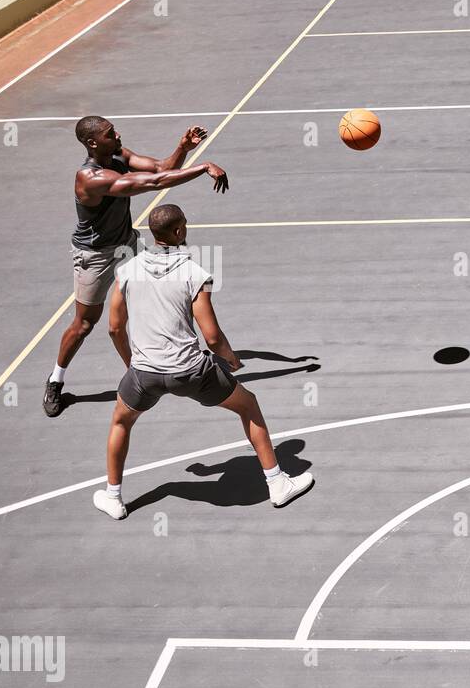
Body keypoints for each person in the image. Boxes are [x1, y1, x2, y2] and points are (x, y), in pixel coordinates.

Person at [92, 204, 313, 520]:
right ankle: (277, 484)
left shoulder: (126, 270)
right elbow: (211, 337)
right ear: (179, 231)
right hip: (191, 372)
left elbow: (114, 327)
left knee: (121, 421)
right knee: (248, 405)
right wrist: (231, 359)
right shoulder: (194, 274)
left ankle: (113, 497)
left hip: (144, 374)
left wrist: (133, 364)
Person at [43, 116, 230, 417]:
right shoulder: (88, 177)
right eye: (108, 133)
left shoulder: (119, 155)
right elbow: (154, 183)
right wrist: (204, 165)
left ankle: (150, 368)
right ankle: (55, 380)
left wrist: (182, 148)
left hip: (127, 244)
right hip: (94, 255)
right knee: (85, 324)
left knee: (153, 299)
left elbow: (160, 169)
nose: (116, 134)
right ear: (92, 143)